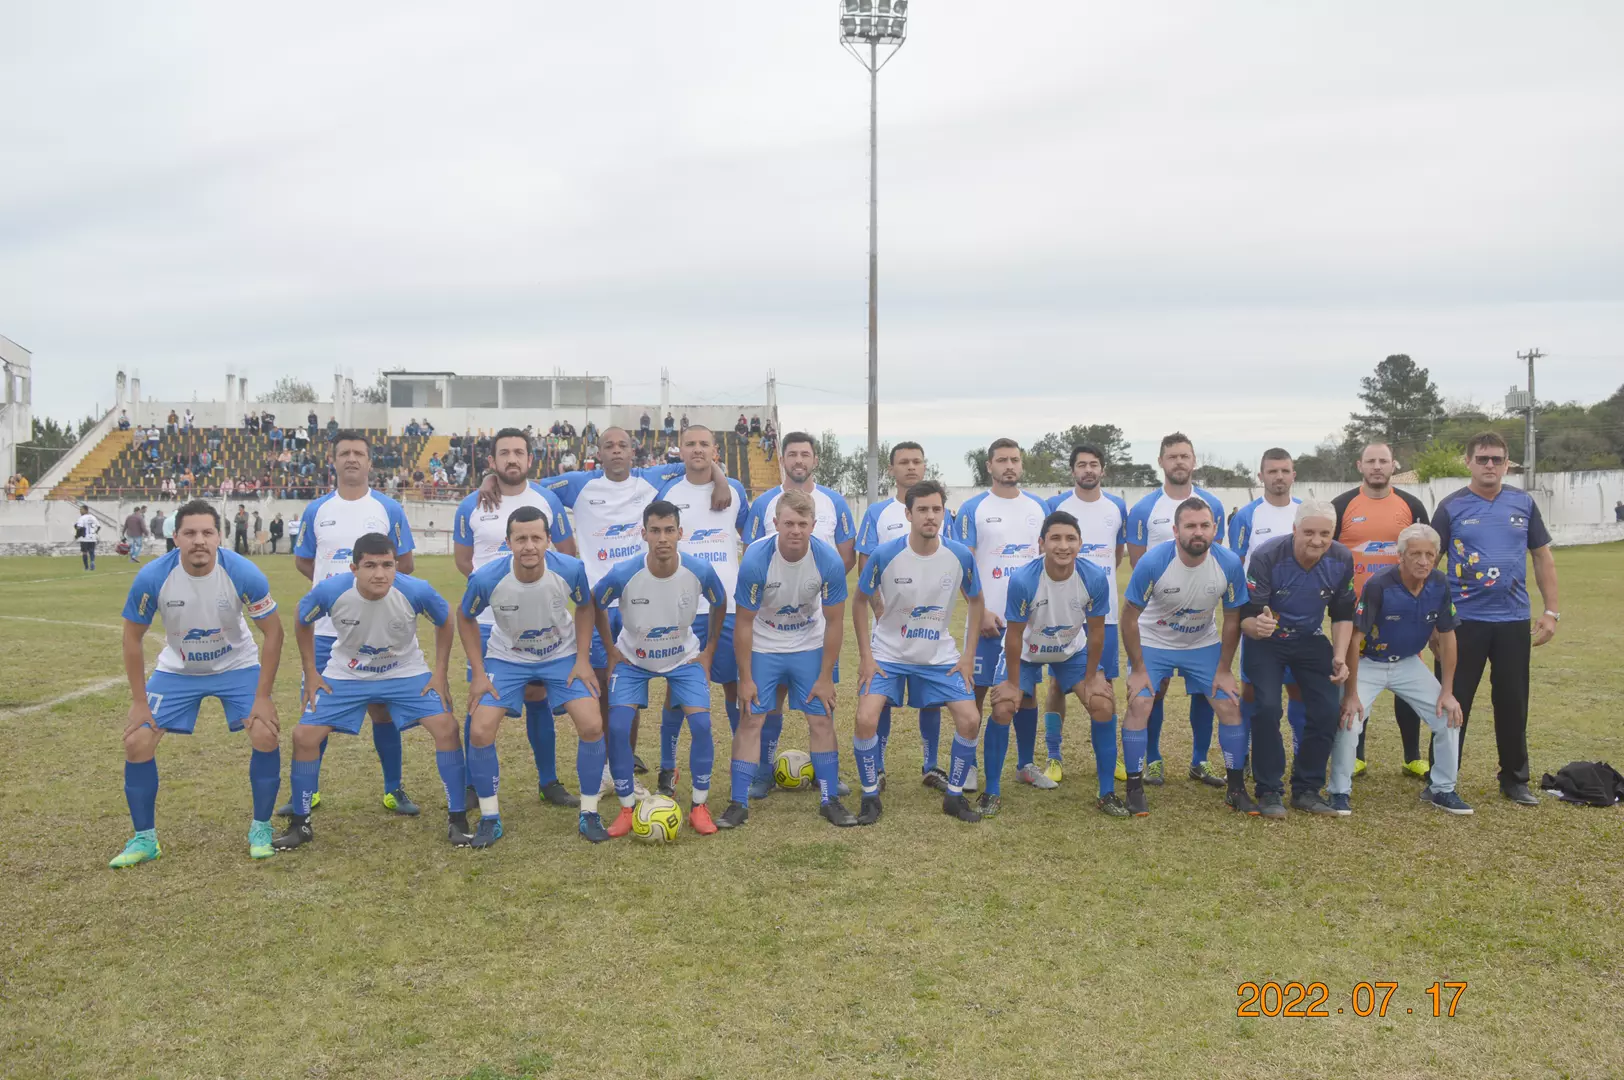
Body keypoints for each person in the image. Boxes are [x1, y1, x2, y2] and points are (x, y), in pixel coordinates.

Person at [485, 428, 724, 779]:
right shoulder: (577, 483)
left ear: (633, 452)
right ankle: (609, 761)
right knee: (603, 680)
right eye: (608, 446)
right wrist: (491, 478)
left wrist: (719, 479)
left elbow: (697, 465)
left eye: (622, 446)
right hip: (597, 598)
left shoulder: (653, 477)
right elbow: (529, 484)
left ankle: (624, 756)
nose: (616, 452)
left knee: (633, 678)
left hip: (640, 593)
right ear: (598, 452)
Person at [108, 501, 285, 867]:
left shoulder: (242, 572)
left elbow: (274, 633)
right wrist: (139, 703)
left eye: (207, 532)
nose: (199, 541)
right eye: (189, 533)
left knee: (266, 733)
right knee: (137, 740)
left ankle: (261, 828)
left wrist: (263, 697)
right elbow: (131, 639)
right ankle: (145, 840)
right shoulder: (153, 577)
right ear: (175, 538)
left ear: (219, 536)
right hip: (178, 670)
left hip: (236, 665)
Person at [274, 533, 470, 851]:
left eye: (387, 565)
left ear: (396, 566)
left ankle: (458, 820)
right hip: (346, 674)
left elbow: (446, 620)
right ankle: (300, 824)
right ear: (354, 568)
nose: (379, 573)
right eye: (370, 565)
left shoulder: (415, 590)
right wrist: (311, 672)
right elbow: (301, 618)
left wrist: (440, 674)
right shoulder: (331, 590)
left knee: (447, 728)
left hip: (404, 672)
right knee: (304, 736)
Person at [285, 430, 418, 817]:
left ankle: (394, 789)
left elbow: (404, 564)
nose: (352, 459)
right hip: (328, 631)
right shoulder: (316, 511)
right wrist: (339, 593)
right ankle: (306, 794)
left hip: (376, 628)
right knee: (317, 710)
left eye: (359, 453)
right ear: (334, 460)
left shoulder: (388, 508)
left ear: (370, 462)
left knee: (383, 711)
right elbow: (305, 561)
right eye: (344, 453)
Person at [459, 506, 608, 846]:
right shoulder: (486, 578)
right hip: (507, 658)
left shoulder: (570, 569)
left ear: (548, 541)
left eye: (536, 538)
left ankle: (589, 813)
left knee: (591, 725)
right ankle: (489, 818)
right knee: (480, 730)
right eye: (521, 538)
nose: (529, 546)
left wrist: (582, 659)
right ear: (508, 542)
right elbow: (465, 617)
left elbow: (586, 606)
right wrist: (479, 673)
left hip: (560, 655)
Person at [1431, 431, 1560, 805]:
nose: (1490, 465)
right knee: (1452, 700)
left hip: (1513, 621)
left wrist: (1551, 611)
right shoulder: (1451, 507)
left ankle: (1515, 779)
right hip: (1461, 623)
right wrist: (1432, 625)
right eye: (1483, 459)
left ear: (1507, 464)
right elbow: (1429, 562)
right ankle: (1442, 778)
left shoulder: (1523, 502)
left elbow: (1542, 557)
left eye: (1497, 459)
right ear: (1468, 462)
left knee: (1513, 699)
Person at [453, 429, 578, 807]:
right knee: (481, 699)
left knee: (538, 696)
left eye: (519, 452)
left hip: (541, 618)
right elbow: (464, 561)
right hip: (491, 619)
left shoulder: (547, 499)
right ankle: (474, 785)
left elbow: (568, 555)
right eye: (504, 453)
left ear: (529, 459)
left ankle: (548, 781)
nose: (512, 459)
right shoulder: (471, 504)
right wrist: (499, 592)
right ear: (491, 462)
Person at [593, 501, 729, 837]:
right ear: (644, 534)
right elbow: (596, 602)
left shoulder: (700, 570)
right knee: (619, 726)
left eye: (669, 530)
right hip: (633, 660)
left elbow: (720, 601)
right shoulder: (624, 573)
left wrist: (709, 650)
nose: (663, 538)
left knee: (700, 724)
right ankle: (627, 808)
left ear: (680, 533)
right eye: (655, 531)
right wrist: (611, 650)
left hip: (683, 658)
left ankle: (699, 805)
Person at [855, 480, 986, 824]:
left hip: (937, 656)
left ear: (944, 513)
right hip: (888, 654)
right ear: (908, 513)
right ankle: (870, 797)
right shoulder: (886, 554)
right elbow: (857, 601)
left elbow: (976, 600)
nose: (931, 517)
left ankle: (954, 798)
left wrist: (968, 655)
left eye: (937, 509)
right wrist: (867, 657)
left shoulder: (959, 555)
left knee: (971, 719)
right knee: (865, 718)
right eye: (923, 510)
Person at [741, 430, 858, 797]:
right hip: (769, 629)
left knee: (821, 706)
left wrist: (815, 585)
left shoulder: (834, 502)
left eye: (805, 454)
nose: (799, 461)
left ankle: (827, 783)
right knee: (767, 703)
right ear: (783, 459)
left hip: (812, 626)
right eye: (792, 454)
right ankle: (761, 772)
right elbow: (754, 555)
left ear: (814, 460)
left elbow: (846, 555)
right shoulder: (763, 505)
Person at [725, 490, 850, 828]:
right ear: (776, 523)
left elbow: (836, 621)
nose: (796, 530)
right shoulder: (756, 559)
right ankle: (738, 803)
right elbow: (744, 623)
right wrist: (746, 678)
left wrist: (825, 677)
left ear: (813, 525)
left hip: (807, 644)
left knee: (822, 719)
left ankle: (829, 800)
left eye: (803, 524)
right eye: (789, 523)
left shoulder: (828, 560)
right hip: (765, 645)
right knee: (751, 719)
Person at [1119, 498, 1248, 817]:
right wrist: (1137, 669)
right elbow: (1129, 616)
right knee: (1140, 702)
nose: (1198, 532)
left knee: (1230, 703)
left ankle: (1236, 789)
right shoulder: (1154, 561)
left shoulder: (1229, 563)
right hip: (1154, 639)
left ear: (1215, 529)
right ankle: (1134, 788)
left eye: (1205, 525)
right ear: (1175, 531)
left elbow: (1233, 618)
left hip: (1201, 643)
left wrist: (1224, 669)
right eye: (1190, 526)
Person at [989, 511, 1121, 817]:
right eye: (1055, 538)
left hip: (1070, 652)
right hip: (1025, 652)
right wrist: (1010, 683)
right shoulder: (1024, 579)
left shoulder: (1094, 577)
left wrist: (1091, 677)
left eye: (1071, 538)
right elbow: (1014, 635)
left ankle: (1107, 792)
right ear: (1041, 544)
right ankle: (993, 790)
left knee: (1102, 703)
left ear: (1080, 543)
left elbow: (1097, 630)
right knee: (1004, 706)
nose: (1063, 546)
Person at [1332, 523, 1469, 815]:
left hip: (1408, 663)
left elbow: (1447, 636)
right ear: (1401, 556)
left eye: (1429, 555)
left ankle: (1441, 789)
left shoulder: (1439, 584)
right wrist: (1351, 694)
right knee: (1349, 720)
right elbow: (1355, 640)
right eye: (1415, 554)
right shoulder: (1379, 585)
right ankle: (1338, 791)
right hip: (1369, 662)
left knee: (1449, 716)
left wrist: (1447, 692)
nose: (1423, 561)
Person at [1238, 501, 1356, 816]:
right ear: (1294, 530)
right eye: (1308, 532)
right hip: (1267, 640)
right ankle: (1269, 790)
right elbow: (1246, 618)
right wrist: (1258, 625)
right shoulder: (1266, 556)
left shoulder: (1342, 558)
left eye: (1324, 534)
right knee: (1266, 707)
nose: (1316, 541)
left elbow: (1343, 613)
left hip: (1310, 637)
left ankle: (1306, 789)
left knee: (1327, 709)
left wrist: (1340, 656)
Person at [653, 425, 750, 804]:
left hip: (726, 606)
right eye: (690, 443)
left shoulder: (735, 490)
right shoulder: (669, 491)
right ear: (680, 449)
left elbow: (748, 534)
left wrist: (722, 479)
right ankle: (667, 765)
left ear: (716, 449)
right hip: (683, 605)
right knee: (677, 691)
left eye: (704, 444)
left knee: (732, 685)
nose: (697, 449)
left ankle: (745, 760)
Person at [1126, 433, 1228, 788]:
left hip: (1200, 619)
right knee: (1156, 689)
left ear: (1194, 460)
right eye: (1172, 456)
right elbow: (1140, 566)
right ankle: (1152, 759)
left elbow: (1217, 559)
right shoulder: (1143, 510)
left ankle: (1199, 760)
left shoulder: (1212, 504)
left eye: (1185, 456)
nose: (1179, 462)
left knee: (1205, 690)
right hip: (1158, 618)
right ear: (1161, 462)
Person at [854, 442, 954, 786]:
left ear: (925, 466)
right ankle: (877, 768)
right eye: (903, 462)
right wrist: (879, 606)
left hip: (929, 625)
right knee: (880, 698)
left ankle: (930, 766)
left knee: (932, 697)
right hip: (890, 627)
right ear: (891, 470)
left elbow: (950, 559)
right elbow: (865, 561)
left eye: (917, 461)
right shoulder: (878, 513)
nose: (911, 467)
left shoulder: (941, 513)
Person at [1331, 442, 1432, 778]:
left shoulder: (1412, 505)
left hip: (1403, 610)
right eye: (1371, 461)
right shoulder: (1342, 505)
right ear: (1360, 465)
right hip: (1354, 613)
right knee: (1356, 679)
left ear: (1394, 465)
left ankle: (1412, 756)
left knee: (1408, 680)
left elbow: (1427, 554)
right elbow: (1327, 554)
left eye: (1383, 461)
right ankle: (1356, 754)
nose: (1377, 467)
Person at [956, 438, 1052, 792]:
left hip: (1029, 623)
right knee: (977, 691)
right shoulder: (973, 508)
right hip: (986, 621)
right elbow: (963, 565)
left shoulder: (1039, 507)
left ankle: (1025, 764)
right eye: (1002, 460)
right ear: (989, 466)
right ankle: (968, 764)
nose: (1009, 465)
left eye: (1015, 460)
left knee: (1025, 692)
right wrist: (980, 611)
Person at [1042, 443, 1128, 784]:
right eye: (1081, 465)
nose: (1088, 470)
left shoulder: (1117, 506)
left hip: (1103, 615)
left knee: (1104, 685)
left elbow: (1116, 556)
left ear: (1102, 470)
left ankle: (1109, 758)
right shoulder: (1056, 505)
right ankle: (1053, 756)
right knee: (1055, 684)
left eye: (1094, 464)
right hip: (1062, 611)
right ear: (1073, 470)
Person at [1229, 448, 1306, 763]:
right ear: (1260, 476)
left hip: (1300, 616)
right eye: (1272, 471)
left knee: (1298, 687)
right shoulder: (1247, 515)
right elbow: (1235, 564)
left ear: (1293, 475)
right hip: (1260, 617)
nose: (1279, 477)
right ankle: (1246, 751)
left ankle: (1302, 749)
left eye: (1285, 471)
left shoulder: (1305, 512)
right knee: (1253, 690)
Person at [75, 504, 100, 571]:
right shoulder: (93, 517)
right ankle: (92, 562)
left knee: (84, 552)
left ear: (86, 510)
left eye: (81, 509)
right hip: (92, 537)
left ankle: (86, 567)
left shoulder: (82, 518)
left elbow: (79, 528)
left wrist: (77, 535)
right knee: (91, 551)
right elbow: (99, 526)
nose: (80, 511)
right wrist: (95, 532)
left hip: (85, 538)